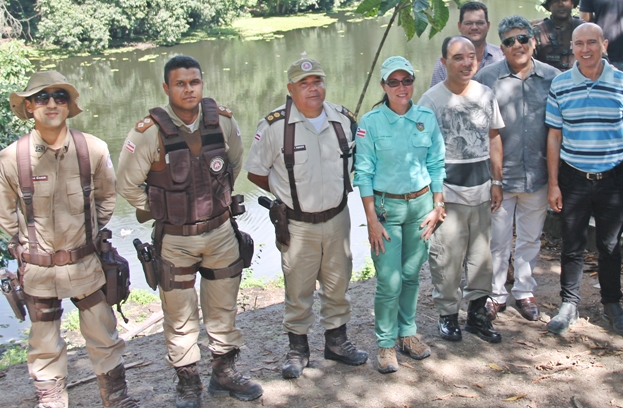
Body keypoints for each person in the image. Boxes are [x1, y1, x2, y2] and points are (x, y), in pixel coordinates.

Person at [116, 56, 262, 408]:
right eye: (179, 83)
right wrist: (162, 209)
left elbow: (234, 164)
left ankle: (223, 374)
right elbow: (126, 183)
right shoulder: (147, 132)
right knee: (180, 317)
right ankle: (188, 383)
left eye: (194, 82)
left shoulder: (223, 122)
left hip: (221, 234)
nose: (188, 89)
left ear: (202, 84)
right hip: (176, 241)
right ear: (166, 88)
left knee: (223, 308)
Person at [0, 71, 138, 408]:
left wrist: (88, 233)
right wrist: (30, 247)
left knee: (103, 334)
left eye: (60, 97)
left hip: (86, 264)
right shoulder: (10, 158)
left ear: (69, 104)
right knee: (44, 344)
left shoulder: (91, 148)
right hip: (38, 270)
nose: (51, 104)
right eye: (42, 98)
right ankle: (52, 402)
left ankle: (116, 399)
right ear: (29, 106)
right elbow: (5, 214)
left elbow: (107, 196)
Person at [245, 55, 367, 379]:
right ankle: (298, 350)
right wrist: (284, 195)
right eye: (304, 83)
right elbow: (256, 173)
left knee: (338, 283)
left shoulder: (343, 119)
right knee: (297, 288)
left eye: (317, 82)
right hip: (298, 225)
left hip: (338, 218)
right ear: (290, 88)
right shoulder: (274, 127)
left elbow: (357, 162)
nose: (312, 89)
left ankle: (337, 342)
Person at [545, 23, 623, 337]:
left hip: (612, 177)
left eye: (592, 42)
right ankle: (569, 303)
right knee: (572, 244)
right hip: (573, 175)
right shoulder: (560, 85)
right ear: (572, 47)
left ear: (604, 44)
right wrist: (553, 183)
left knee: (610, 245)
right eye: (579, 43)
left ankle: (612, 304)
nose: (585, 49)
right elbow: (554, 136)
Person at [354, 56, 446, 374]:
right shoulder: (370, 123)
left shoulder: (425, 118)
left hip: (421, 208)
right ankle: (385, 344)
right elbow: (363, 174)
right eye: (393, 82)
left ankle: (407, 334)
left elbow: (436, 163)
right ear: (383, 86)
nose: (401, 87)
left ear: (413, 83)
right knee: (389, 281)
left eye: (406, 80)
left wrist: (438, 206)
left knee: (410, 276)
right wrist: (372, 221)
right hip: (385, 210)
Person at [419, 36, 505, 344]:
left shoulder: (485, 94)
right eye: (458, 57)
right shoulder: (430, 100)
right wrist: (432, 197)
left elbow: (494, 138)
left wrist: (497, 181)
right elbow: (421, 151)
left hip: (481, 189)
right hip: (447, 193)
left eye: (471, 56)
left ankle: (478, 315)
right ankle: (448, 316)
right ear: (444, 63)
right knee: (446, 259)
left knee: (482, 259)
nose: (466, 62)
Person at [474, 16, 560, 323]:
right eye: (509, 41)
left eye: (523, 39)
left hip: (537, 173)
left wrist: (554, 180)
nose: (517, 45)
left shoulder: (553, 78)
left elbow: (558, 130)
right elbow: (479, 130)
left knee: (529, 237)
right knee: (497, 238)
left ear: (533, 41)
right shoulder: (486, 78)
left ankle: (524, 290)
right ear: (502, 47)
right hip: (499, 175)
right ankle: (496, 293)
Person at [429, 1, 501, 87]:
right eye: (469, 23)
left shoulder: (501, 57)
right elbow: (435, 95)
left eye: (479, 23)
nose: (474, 27)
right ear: (459, 26)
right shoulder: (445, 62)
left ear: (488, 25)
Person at [531, 0, 584, 71]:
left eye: (565, 0)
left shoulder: (584, 29)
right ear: (549, 6)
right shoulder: (538, 32)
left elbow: (600, 57)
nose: (561, 4)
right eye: (555, 1)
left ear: (572, 4)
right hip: (548, 82)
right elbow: (529, 64)